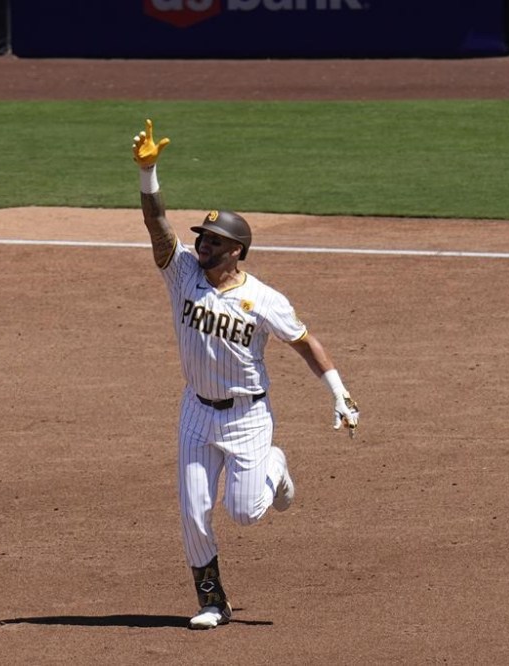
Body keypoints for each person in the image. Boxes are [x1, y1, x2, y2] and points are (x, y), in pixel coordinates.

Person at [130, 119, 360, 630]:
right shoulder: (182, 272)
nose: (203, 245)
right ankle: (213, 601)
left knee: (245, 512)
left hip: (247, 418)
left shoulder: (265, 300)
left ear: (237, 250)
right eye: (203, 239)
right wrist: (149, 174)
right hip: (195, 412)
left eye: (213, 241)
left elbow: (304, 342)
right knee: (193, 512)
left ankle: (274, 468)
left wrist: (339, 394)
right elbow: (157, 224)